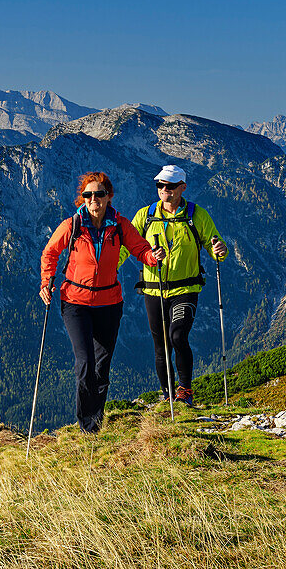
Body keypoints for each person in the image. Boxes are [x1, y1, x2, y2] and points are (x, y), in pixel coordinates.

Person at [40, 172, 163, 433]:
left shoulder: (119, 224)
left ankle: (96, 419)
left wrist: (153, 257)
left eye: (99, 194)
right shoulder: (72, 225)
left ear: (109, 196)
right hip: (75, 302)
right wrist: (46, 281)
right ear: (82, 198)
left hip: (109, 303)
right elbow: (50, 252)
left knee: (102, 366)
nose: (93, 199)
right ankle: (87, 426)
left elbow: (139, 248)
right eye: (88, 195)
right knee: (84, 363)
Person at [121, 164, 228, 407]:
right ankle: (167, 394)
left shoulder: (196, 215)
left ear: (182, 188)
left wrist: (219, 250)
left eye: (169, 186)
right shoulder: (145, 216)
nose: (163, 190)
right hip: (153, 289)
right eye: (160, 185)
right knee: (161, 345)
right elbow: (127, 246)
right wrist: (108, 267)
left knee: (178, 335)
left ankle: (185, 390)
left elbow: (214, 244)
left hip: (186, 290)